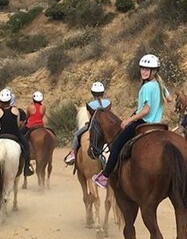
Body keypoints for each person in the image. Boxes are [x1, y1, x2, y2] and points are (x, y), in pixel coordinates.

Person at [93, 54, 171, 189]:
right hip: (158, 124)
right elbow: (169, 99)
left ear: (154, 71)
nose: (144, 72)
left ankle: (105, 176)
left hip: (143, 123)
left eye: (148, 69)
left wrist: (130, 119)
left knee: (117, 144)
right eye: (142, 69)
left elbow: (146, 110)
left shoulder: (146, 87)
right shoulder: (159, 85)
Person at [64, 81, 110, 165]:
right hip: (107, 127)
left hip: (95, 126)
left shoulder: (90, 104)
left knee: (77, 134)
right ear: (103, 93)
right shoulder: (108, 102)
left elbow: (90, 118)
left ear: (92, 93)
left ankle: (73, 154)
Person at [0, 88, 34, 176]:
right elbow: (17, 124)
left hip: (2, 133)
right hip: (15, 133)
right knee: (26, 146)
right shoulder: (15, 110)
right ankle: (27, 167)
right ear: (10, 100)